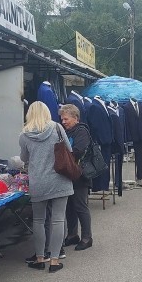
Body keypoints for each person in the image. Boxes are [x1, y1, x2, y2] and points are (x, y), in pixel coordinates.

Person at [19, 101, 74, 273]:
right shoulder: (57, 128)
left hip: (39, 182)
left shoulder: (24, 134)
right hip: (59, 179)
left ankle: (40, 258)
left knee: (38, 221)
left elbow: (24, 158)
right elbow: (69, 149)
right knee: (58, 219)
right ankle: (55, 261)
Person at [59, 104, 93, 251]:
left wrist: (62, 156)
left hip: (80, 175)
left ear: (75, 118)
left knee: (80, 206)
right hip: (69, 174)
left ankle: (87, 237)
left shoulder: (81, 131)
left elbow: (78, 151)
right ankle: (72, 235)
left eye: (66, 119)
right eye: (62, 119)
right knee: (69, 207)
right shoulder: (67, 131)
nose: (63, 122)